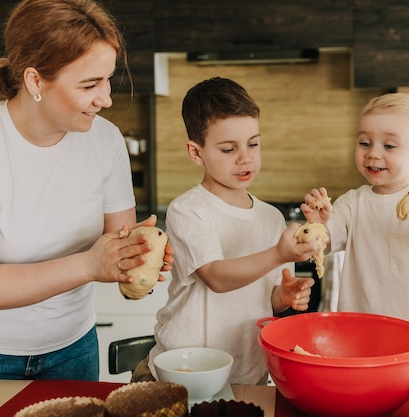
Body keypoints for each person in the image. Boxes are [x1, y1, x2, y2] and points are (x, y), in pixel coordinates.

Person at [0, 0, 171, 402]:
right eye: (89, 85)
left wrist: (137, 261)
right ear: (35, 81)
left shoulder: (107, 141)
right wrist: (92, 264)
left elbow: (120, 246)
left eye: (108, 80)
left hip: (72, 348)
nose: (106, 99)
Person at [133, 77, 322, 385]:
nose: (245, 157)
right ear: (197, 153)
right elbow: (217, 278)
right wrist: (278, 254)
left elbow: (266, 300)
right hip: (182, 375)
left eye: (253, 143)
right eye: (228, 148)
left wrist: (284, 297)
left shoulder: (272, 218)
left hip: (247, 377)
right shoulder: (189, 210)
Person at [301, 92, 409, 386]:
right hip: (360, 339)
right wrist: (321, 222)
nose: (373, 153)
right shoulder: (352, 202)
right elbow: (327, 241)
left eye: (388, 145)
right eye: (364, 143)